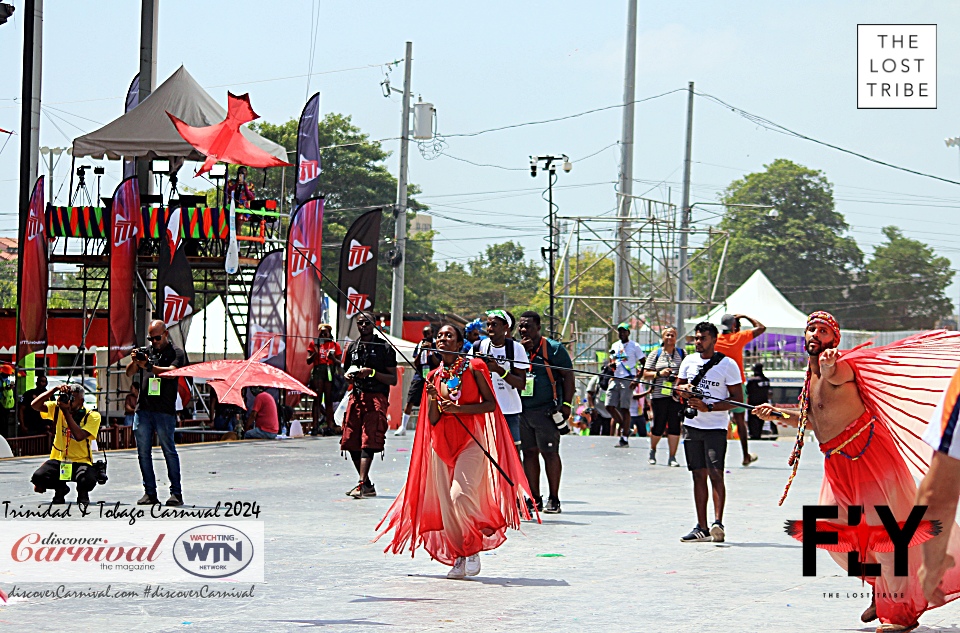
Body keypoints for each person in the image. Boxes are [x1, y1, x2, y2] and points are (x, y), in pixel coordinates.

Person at [754, 313, 960, 632]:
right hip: (837, 464)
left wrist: (831, 366)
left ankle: (900, 615)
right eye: (811, 329)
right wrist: (779, 414)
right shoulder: (811, 375)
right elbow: (816, 420)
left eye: (823, 331)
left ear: (833, 339)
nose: (815, 334)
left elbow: (837, 373)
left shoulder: (840, 364)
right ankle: (883, 590)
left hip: (868, 458)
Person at [376, 324, 532, 579]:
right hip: (441, 444)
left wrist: (459, 410)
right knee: (447, 506)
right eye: (440, 336)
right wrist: (434, 399)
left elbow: (491, 404)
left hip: (470, 441)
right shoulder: (433, 376)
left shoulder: (474, 368)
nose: (442, 339)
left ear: (460, 344)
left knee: (460, 495)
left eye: (449, 336)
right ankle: (460, 554)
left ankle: (473, 546)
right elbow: (433, 420)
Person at [675, 321, 743, 544]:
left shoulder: (728, 365)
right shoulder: (688, 361)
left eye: (703, 338)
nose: (698, 342)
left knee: (716, 473)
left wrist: (709, 407)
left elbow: (737, 400)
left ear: (714, 340)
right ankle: (701, 527)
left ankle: (717, 523)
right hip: (692, 427)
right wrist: (682, 391)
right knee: (697, 475)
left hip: (715, 427)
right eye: (696, 338)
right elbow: (676, 391)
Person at [517, 311, 574, 514]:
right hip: (522, 412)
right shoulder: (516, 350)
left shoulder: (554, 349)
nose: (524, 330)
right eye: (521, 327)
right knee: (529, 454)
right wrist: (520, 352)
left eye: (529, 327)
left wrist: (567, 404)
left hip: (547, 412)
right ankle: (534, 498)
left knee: (550, 453)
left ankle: (554, 499)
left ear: (538, 328)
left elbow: (568, 376)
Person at [126, 320, 187, 507]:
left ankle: (176, 493)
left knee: (168, 450)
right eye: (151, 339)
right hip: (144, 408)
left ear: (166, 334)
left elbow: (171, 372)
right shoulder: (147, 351)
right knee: (143, 452)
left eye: (157, 338)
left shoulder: (176, 353)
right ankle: (149, 492)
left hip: (164, 410)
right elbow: (129, 373)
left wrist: (149, 367)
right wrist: (135, 360)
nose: (154, 342)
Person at [341, 313, 398, 498]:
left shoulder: (384, 347)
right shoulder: (352, 347)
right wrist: (350, 376)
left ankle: (361, 484)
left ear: (374, 324)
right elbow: (346, 370)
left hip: (376, 397)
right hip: (356, 396)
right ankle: (366, 484)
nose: (364, 325)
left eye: (367, 322)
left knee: (369, 439)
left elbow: (393, 379)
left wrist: (372, 372)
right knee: (349, 439)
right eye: (360, 323)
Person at [29, 384, 102, 505]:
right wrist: (54, 390)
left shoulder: (92, 416)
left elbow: (79, 436)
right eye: (68, 397)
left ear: (81, 401)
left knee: (86, 479)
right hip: (59, 459)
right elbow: (34, 405)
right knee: (38, 477)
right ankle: (60, 489)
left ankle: (82, 494)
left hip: (81, 460)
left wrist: (66, 412)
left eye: (73, 398)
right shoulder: (57, 409)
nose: (69, 401)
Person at [470, 310, 528, 450]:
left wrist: (499, 370)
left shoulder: (516, 349)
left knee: (512, 454)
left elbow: (521, 383)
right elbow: (467, 375)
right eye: (488, 324)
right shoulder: (478, 346)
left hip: (509, 411)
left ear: (505, 327)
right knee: (485, 453)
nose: (490, 328)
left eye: (494, 324)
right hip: (484, 409)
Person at [715, 313, 765, 466]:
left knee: (718, 420)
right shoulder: (738, 337)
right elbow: (761, 328)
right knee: (740, 421)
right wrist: (746, 316)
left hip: (718, 384)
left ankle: (717, 456)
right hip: (736, 384)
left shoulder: (715, 338)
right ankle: (745, 456)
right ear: (734, 326)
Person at [642, 327, 685, 467]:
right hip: (659, 395)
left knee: (674, 426)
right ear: (662, 337)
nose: (669, 337)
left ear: (676, 337)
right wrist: (659, 374)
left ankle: (672, 456)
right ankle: (653, 450)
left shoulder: (682, 354)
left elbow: (688, 373)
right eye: (667, 335)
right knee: (658, 425)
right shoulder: (656, 354)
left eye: (672, 335)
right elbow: (645, 374)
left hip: (676, 396)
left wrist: (677, 378)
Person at [396, 325, 439, 437]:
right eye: (424, 334)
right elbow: (416, 362)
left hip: (432, 374)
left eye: (428, 333)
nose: (425, 336)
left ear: (432, 333)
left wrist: (431, 351)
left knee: (432, 400)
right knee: (410, 399)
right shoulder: (419, 345)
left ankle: (431, 426)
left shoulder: (436, 344)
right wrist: (421, 351)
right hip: (420, 374)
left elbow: (437, 362)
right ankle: (403, 426)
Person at [607, 322, 644, 448]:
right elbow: (612, 359)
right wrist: (611, 366)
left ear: (628, 332)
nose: (622, 333)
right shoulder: (615, 345)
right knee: (609, 405)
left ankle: (624, 437)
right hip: (616, 377)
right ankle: (625, 426)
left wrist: (637, 379)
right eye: (620, 331)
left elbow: (644, 363)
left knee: (624, 408)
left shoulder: (635, 346)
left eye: (624, 331)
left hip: (628, 378)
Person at [307, 323, 343, 436]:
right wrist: (315, 354)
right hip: (318, 371)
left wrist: (332, 357)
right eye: (321, 332)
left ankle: (330, 425)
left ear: (329, 333)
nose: (323, 334)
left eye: (325, 332)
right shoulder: (314, 344)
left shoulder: (334, 345)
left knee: (328, 400)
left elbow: (339, 363)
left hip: (329, 371)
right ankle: (315, 425)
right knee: (317, 399)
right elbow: (308, 360)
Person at [585, 357, 614, 436]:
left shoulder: (615, 380)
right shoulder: (596, 379)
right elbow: (589, 393)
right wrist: (592, 408)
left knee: (607, 434)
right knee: (594, 432)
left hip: (610, 412)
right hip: (597, 411)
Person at [745, 363, 771, 439]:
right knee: (761, 420)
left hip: (753, 405)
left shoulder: (752, 381)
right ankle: (758, 434)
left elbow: (747, 391)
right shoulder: (766, 380)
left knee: (753, 422)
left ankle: (754, 435)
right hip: (764, 404)